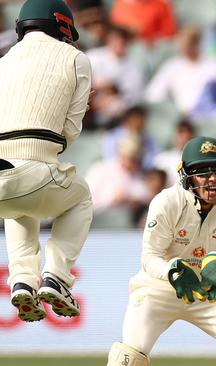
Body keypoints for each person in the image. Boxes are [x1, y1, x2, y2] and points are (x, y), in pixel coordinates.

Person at [107, 136, 216, 366]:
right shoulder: (166, 203)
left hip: (210, 290)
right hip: (160, 289)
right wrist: (173, 271)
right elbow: (150, 257)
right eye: (203, 173)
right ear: (187, 177)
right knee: (129, 356)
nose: (213, 180)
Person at [0, 0, 92, 322]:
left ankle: (23, 279)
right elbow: (70, 130)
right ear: (61, 25)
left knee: (18, 202)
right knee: (80, 196)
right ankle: (57, 276)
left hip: (2, 172)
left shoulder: (3, 61)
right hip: (36, 166)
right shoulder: (77, 59)